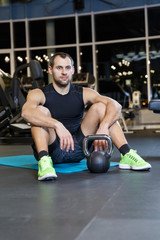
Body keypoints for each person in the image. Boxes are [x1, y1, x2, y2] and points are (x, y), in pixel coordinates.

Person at [21, 52, 151, 181]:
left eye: (67, 68)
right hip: (52, 149)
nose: (64, 72)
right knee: (39, 111)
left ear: (72, 70)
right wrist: (57, 125)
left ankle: (127, 154)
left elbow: (116, 105)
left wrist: (104, 126)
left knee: (101, 107)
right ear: (50, 70)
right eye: (59, 68)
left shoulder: (83, 92)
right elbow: (26, 113)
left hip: (79, 147)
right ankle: (44, 162)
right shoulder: (38, 93)